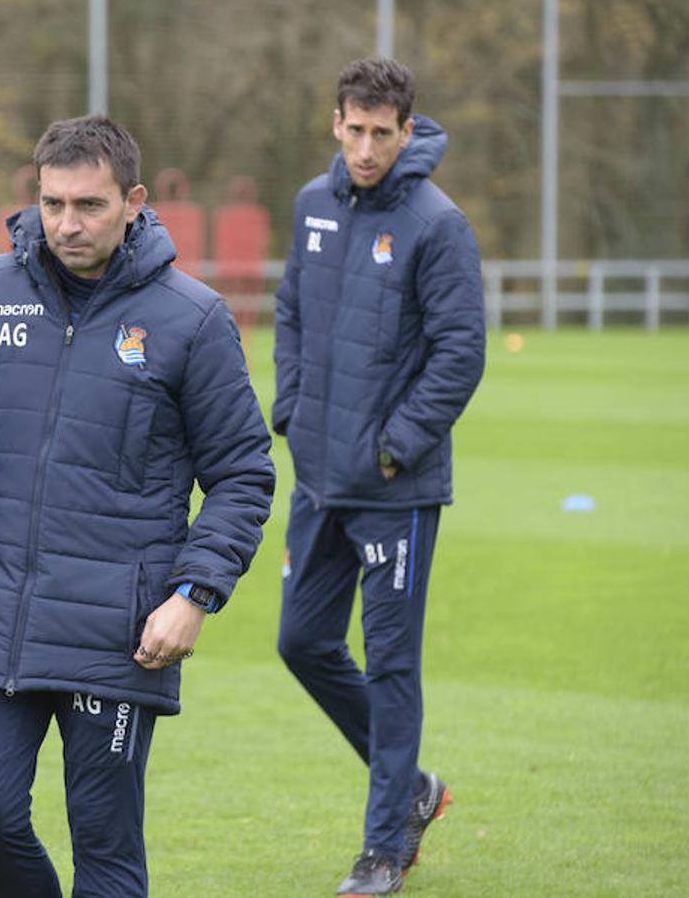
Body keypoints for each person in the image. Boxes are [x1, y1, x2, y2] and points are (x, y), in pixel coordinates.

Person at [0, 115, 274, 896]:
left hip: (120, 632)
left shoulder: (191, 319)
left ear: (133, 201)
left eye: (90, 205)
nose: (67, 223)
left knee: (105, 853)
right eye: (53, 202)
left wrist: (194, 594)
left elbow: (242, 472)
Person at [272, 58, 486, 896]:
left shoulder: (438, 224)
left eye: (381, 133)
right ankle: (416, 788)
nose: (365, 147)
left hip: (395, 486)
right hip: (319, 477)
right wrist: (290, 407)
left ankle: (383, 848)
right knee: (301, 641)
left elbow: (460, 351)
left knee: (391, 665)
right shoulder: (311, 206)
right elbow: (291, 309)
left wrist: (395, 447)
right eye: (353, 129)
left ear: (406, 131)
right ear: (336, 123)